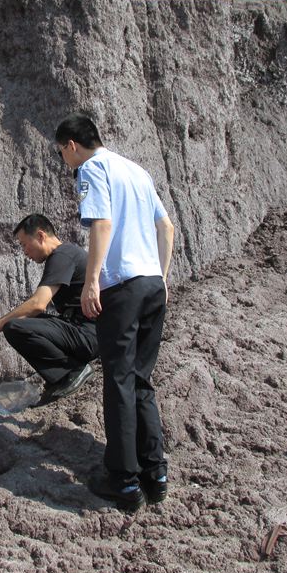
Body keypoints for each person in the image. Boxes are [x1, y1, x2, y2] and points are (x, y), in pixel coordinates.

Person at [54, 113, 175, 511]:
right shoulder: (137, 170)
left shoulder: (92, 168)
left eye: (62, 153)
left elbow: (101, 224)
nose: (65, 160)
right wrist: (161, 277)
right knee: (142, 379)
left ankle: (123, 481)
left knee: (119, 381)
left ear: (72, 144)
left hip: (121, 287)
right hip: (151, 284)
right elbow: (167, 228)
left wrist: (91, 282)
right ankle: (154, 474)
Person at [0, 214, 98, 400]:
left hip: (88, 334)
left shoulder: (62, 255)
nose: (25, 252)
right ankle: (64, 374)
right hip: (81, 330)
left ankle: (72, 372)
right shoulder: (65, 254)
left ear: (41, 236)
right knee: (25, 320)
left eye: (24, 244)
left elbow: (38, 304)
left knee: (14, 327)